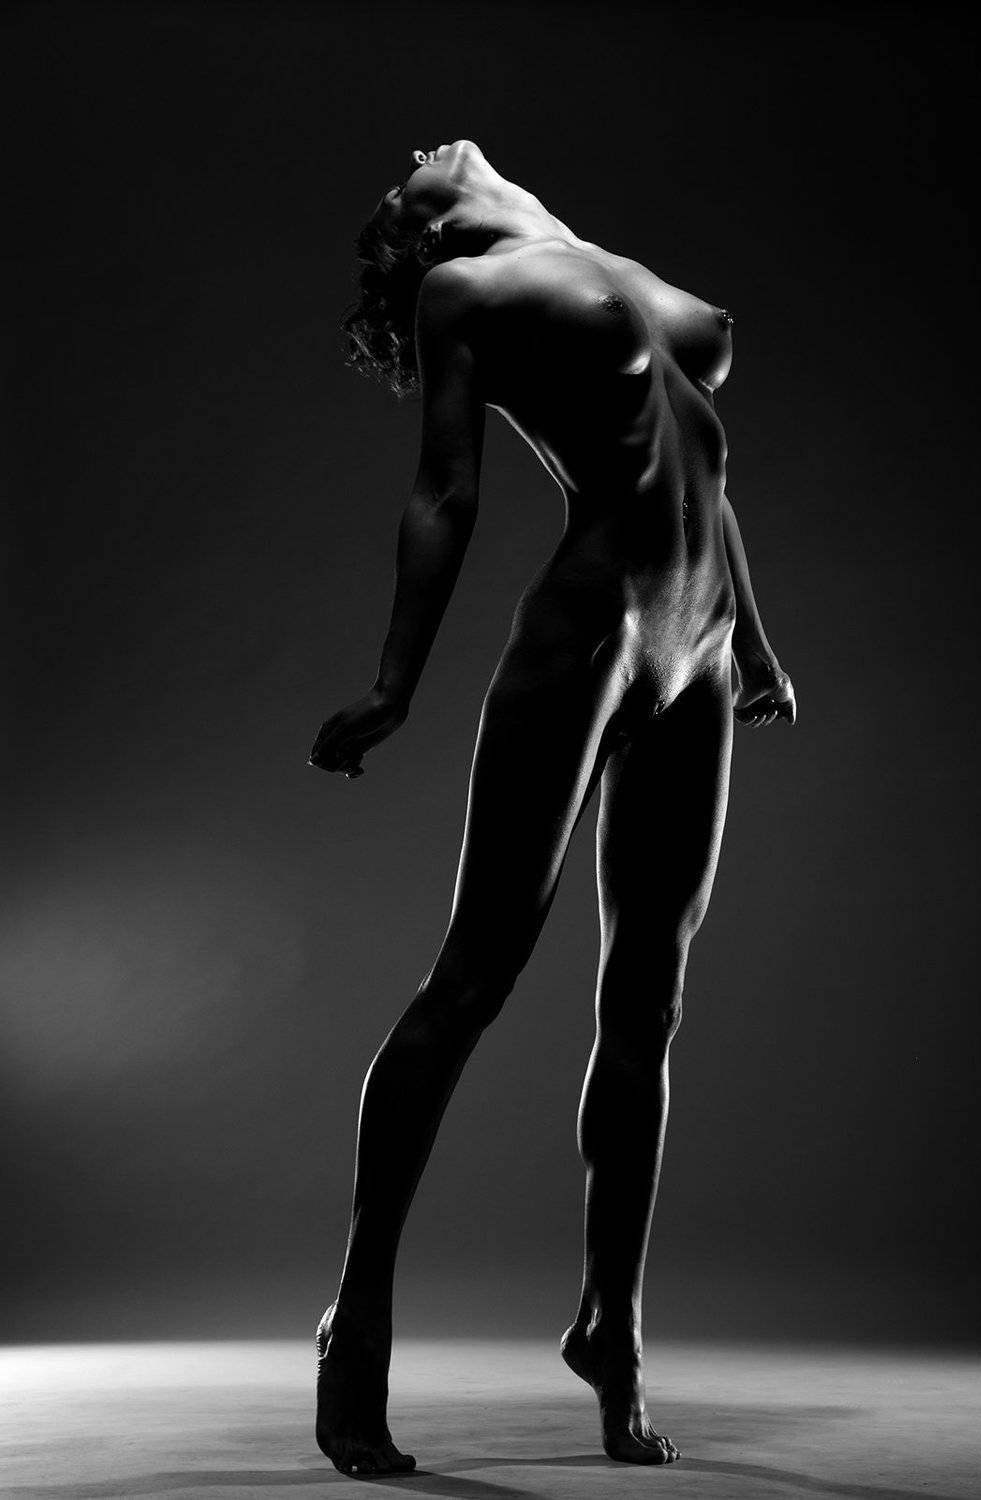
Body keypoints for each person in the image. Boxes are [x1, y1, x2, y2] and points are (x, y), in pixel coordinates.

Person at [308, 139, 796, 1477]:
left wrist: (753, 642)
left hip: (697, 651)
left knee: (649, 1004)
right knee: (473, 978)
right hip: (594, 636)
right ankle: (358, 1322)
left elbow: (702, 473)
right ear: (422, 232)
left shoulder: (610, 271)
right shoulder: (465, 292)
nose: (420, 152)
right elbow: (446, 488)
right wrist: (395, 684)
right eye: (399, 181)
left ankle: (611, 1335)